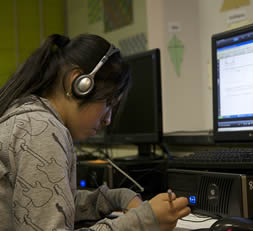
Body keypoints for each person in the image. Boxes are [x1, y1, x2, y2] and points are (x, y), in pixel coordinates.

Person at [0, 33, 191, 230]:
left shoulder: (28, 117)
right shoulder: (40, 129)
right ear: (80, 83)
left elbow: (48, 203)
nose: (108, 119)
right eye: (108, 103)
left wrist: (115, 198)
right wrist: (145, 221)